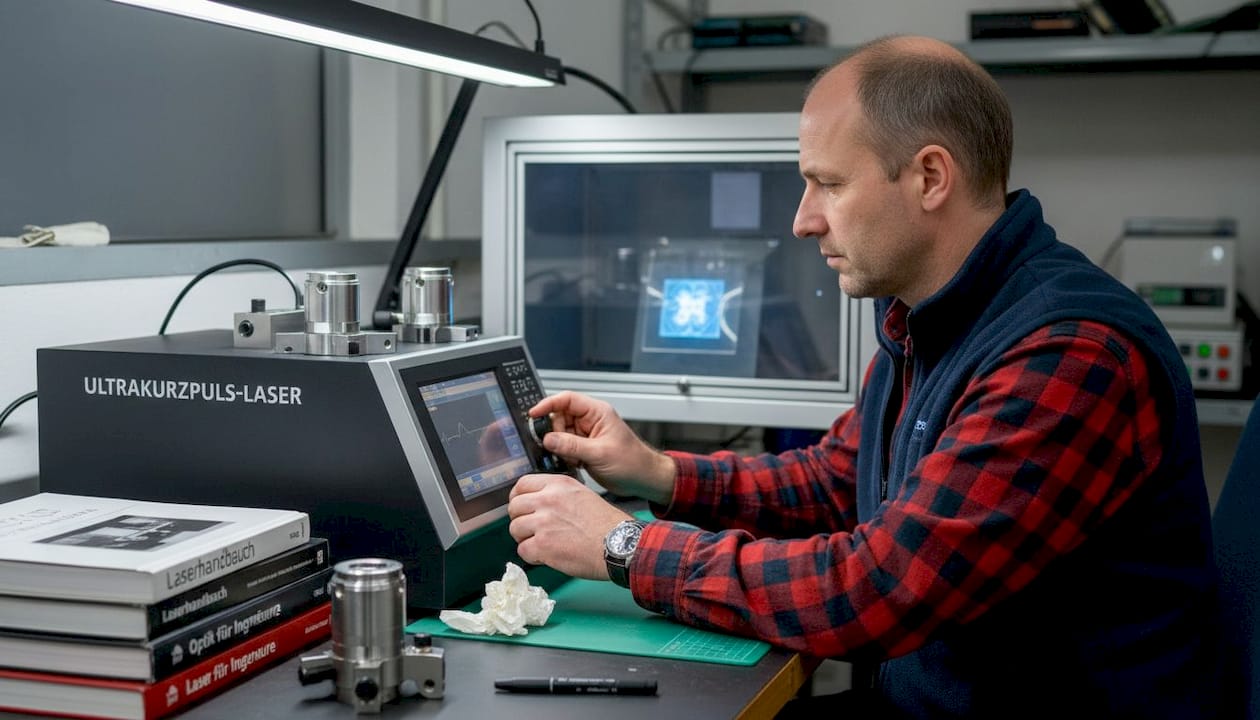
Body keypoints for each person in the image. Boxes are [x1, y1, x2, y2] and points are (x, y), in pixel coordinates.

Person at [506, 35, 1220, 718]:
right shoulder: (931, 320)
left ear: (930, 177)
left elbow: (879, 588)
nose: (802, 221)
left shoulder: (1068, 354)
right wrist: (659, 472)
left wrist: (623, 545)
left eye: (829, 184)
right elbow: (839, 481)